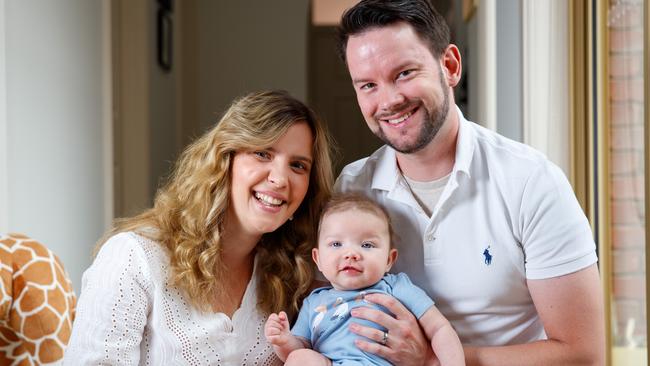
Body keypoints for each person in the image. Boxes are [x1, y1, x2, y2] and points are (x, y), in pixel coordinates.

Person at [333, 1, 605, 365]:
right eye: (368, 85)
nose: (389, 100)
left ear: (450, 66)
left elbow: (583, 354)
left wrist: (432, 360)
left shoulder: (531, 182)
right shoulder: (352, 187)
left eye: (404, 74)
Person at [64, 90, 334, 365]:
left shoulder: (294, 279)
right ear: (224, 159)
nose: (279, 179)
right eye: (262, 153)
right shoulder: (134, 257)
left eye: (298, 166)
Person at [264, 193, 464, 366]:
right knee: (300, 357)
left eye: (367, 245)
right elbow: (296, 348)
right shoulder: (313, 302)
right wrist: (283, 340)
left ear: (388, 260)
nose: (351, 254)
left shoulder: (395, 287)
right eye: (336, 244)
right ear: (318, 260)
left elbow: (439, 328)